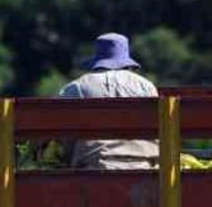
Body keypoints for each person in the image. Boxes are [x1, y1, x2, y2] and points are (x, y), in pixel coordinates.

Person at [58, 33, 159, 169]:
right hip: (143, 166)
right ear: (127, 62)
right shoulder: (146, 86)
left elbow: (62, 135)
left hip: (94, 168)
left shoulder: (77, 87)